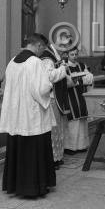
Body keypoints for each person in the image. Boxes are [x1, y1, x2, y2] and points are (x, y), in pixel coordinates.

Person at [0, 33, 67, 197]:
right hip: (32, 116)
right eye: (42, 48)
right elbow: (41, 89)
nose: (42, 52)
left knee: (18, 149)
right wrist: (51, 84)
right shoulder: (35, 62)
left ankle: (16, 186)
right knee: (34, 151)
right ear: (38, 46)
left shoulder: (12, 61)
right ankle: (34, 187)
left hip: (17, 115)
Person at [39, 35, 71, 169]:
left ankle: (58, 157)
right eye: (62, 45)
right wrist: (63, 68)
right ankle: (52, 159)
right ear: (55, 42)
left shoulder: (56, 55)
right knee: (53, 129)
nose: (65, 48)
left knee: (59, 128)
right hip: (51, 98)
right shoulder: (47, 57)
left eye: (66, 45)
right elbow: (50, 77)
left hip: (58, 97)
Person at [64, 46, 94, 153]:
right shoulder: (64, 67)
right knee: (72, 123)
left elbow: (90, 77)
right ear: (67, 55)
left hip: (81, 96)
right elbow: (66, 83)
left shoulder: (82, 65)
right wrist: (79, 80)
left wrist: (77, 81)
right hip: (69, 98)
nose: (75, 56)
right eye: (72, 54)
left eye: (76, 54)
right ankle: (70, 147)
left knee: (82, 121)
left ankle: (82, 146)